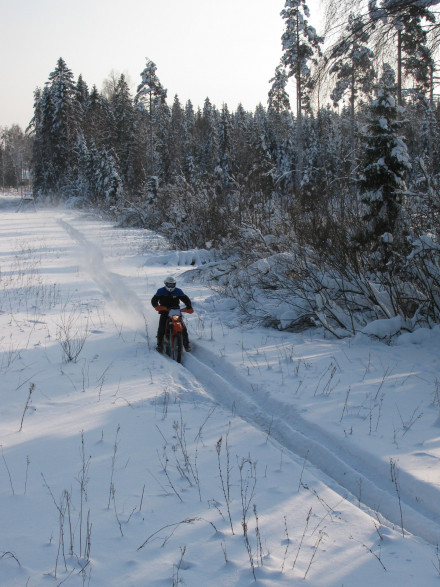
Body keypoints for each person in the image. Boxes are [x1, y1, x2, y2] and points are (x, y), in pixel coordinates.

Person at [151, 276, 193, 353]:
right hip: (164, 311)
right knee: (161, 328)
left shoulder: (178, 291)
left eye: (172, 285)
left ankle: (186, 345)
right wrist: (157, 306)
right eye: (169, 284)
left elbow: (186, 299)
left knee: (183, 328)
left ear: (175, 284)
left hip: (175, 311)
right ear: (165, 284)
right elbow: (154, 300)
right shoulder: (161, 291)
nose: (171, 286)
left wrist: (189, 306)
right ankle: (159, 345)